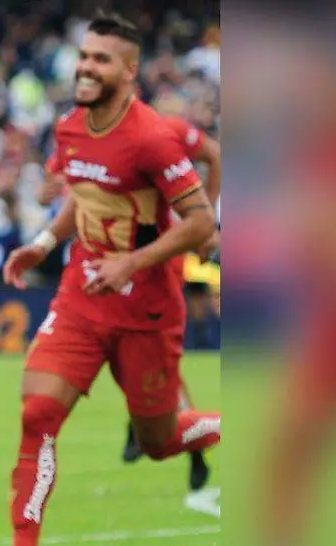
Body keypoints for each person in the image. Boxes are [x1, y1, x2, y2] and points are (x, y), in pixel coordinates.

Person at [0, 12, 222, 546]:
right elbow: (80, 199)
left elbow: (201, 224)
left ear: (130, 71)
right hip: (82, 298)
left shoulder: (153, 138)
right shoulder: (69, 128)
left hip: (146, 311)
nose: (86, 67)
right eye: (84, 56)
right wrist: (42, 243)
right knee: (38, 412)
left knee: (158, 440)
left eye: (100, 59)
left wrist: (132, 263)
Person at [119, 113, 223, 518]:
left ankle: (186, 442)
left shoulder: (166, 131)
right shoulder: (94, 136)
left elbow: (215, 155)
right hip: (118, 259)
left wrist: (203, 221)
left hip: (157, 260)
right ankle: (146, 427)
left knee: (156, 363)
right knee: (127, 353)